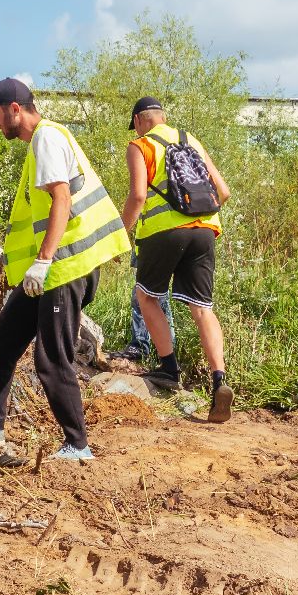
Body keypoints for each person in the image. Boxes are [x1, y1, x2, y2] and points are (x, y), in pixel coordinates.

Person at [0, 77, 131, 463]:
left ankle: (78, 446)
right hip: (50, 270)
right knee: (3, 338)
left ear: (15, 109)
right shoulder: (42, 142)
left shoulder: (46, 139)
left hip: (62, 269)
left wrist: (44, 261)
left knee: (52, 358)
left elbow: (61, 199)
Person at [120, 96, 235, 422]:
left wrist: (121, 232)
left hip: (164, 232)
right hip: (205, 229)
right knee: (202, 309)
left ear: (141, 120)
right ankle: (218, 381)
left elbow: (139, 195)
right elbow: (222, 192)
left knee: (146, 297)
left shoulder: (140, 145)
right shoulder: (190, 140)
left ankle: (169, 369)